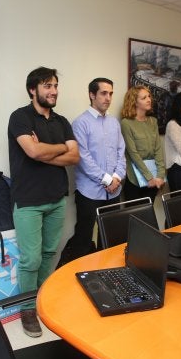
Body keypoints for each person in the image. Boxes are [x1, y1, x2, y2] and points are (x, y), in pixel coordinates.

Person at [7, 66, 79, 337]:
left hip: (57, 198)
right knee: (31, 259)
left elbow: (75, 157)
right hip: (29, 201)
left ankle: (42, 302)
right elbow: (32, 150)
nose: (53, 91)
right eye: (47, 86)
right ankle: (27, 309)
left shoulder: (61, 121)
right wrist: (60, 148)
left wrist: (48, 152)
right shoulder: (20, 118)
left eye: (55, 85)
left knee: (50, 253)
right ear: (32, 90)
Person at [58, 78, 125, 267]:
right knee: (83, 239)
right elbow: (83, 157)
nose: (108, 98)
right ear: (92, 95)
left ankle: (108, 275)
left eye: (111, 93)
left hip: (114, 190)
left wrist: (117, 178)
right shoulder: (80, 123)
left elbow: (122, 151)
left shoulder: (114, 123)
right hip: (89, 192)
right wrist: (106, 179)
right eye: (104, 93)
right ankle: (79, 277)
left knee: (111, 238)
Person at [120, 85, 165, 202]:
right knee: (134, 216)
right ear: (134, 102)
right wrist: (149, 177)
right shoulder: (126, 123)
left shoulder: (153, 121)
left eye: (149, 96)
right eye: (144, 98)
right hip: (135, 178)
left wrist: (160, 175)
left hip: (155, 178)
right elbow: (133, 154)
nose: (149, 99)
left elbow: (158, 150)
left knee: (148, 216)